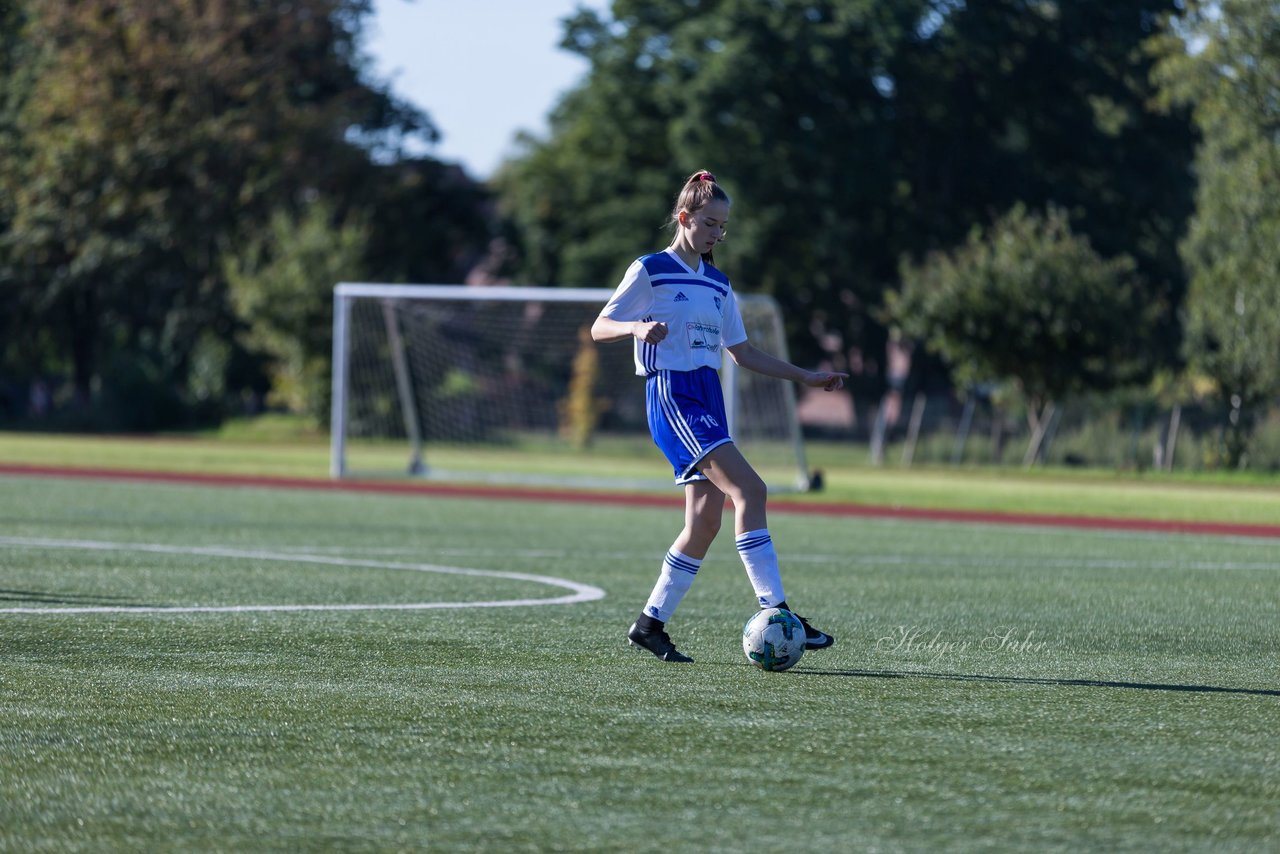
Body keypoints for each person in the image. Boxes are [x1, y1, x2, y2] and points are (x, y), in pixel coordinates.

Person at [591, 169, 849, 663]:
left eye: (723, 226)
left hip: (708, 397)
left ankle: (649, 625)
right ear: (684, 218)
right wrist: (636, 328)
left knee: (706, 519)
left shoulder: (718, 283)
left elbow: (744, 353)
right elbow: (600, 326)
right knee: (750, 490)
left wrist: (806, 377)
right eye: (709, 223)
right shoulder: (650, 269)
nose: (716, 234)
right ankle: (781, 612)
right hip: (673, 394)